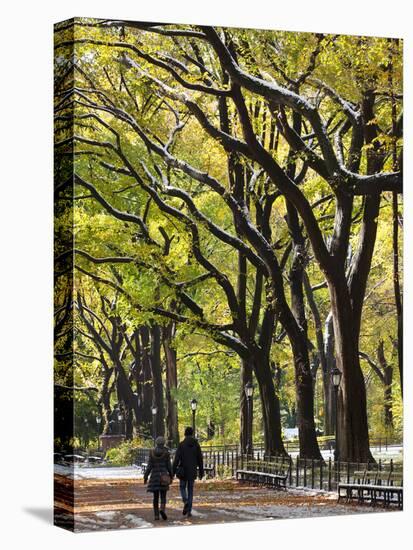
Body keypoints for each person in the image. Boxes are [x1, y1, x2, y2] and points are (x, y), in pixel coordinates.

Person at [172, 426, 204, 517]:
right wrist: (201, 472)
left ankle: (185, 500)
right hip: (192, 470)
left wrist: (172, 472)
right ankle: (189, 511)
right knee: (190, 490)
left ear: (185, 434)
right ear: (192, 433)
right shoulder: (196, 444)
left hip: (183, 470)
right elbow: (200, 459)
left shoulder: (181, 444)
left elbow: (176, 459)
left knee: (182, 487)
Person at [143, 436, 173, 521]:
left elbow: (149, 466)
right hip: (163, 476)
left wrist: (145, 476)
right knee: (163, 496)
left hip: (154, 477)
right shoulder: (166, 453)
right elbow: (169, 466)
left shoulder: (152, 452)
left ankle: (156, 515)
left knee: (155, 497)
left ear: (156, 443)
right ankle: (162, 509)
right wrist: (171, 475)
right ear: (163, 443)